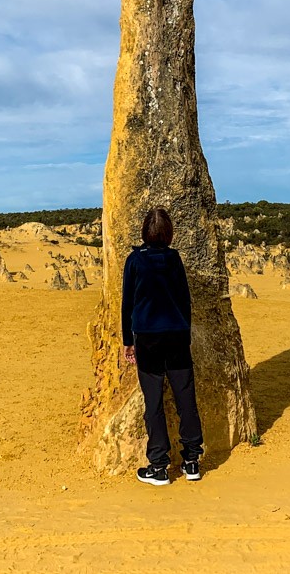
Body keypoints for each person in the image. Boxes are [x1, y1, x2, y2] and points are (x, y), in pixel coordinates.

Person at [122, 207, 204, 486]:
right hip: (177, 336)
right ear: (168, 234)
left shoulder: (135, 261)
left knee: (154, 403)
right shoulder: (175, 259)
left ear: (145, 232)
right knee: (185, 400)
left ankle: (159, 467)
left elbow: (127, 304)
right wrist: (186, 334)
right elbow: (185, 299)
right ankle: (192, 461)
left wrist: (127, 341)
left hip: (148, 338)